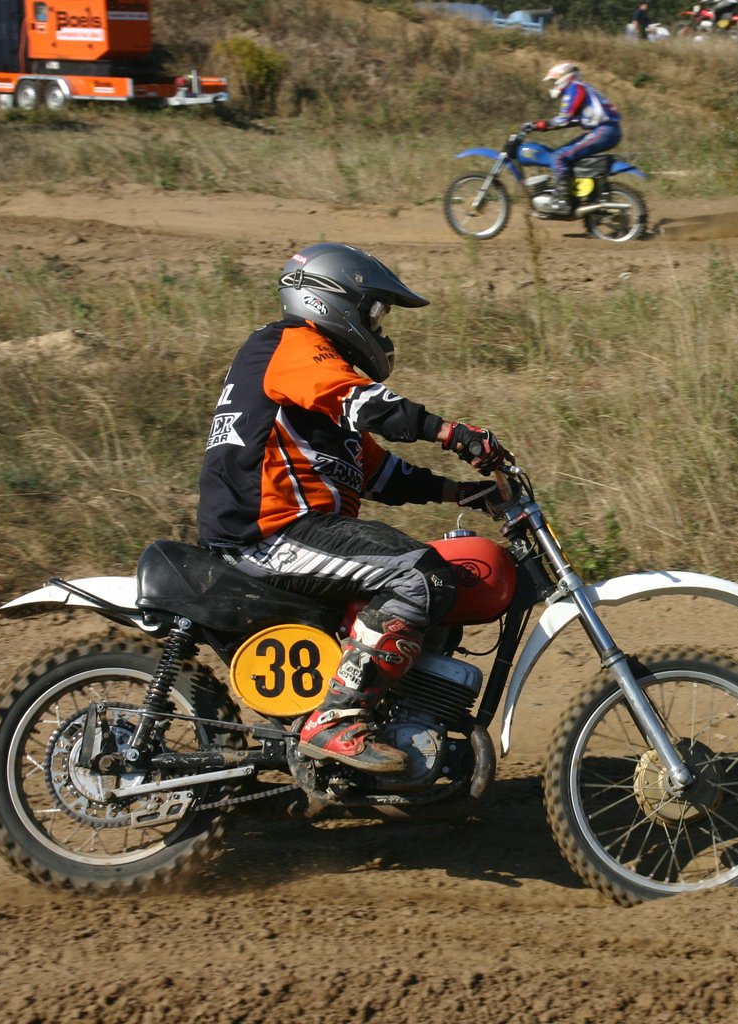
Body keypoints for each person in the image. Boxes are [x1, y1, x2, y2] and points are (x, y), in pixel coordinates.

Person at [197, 242, 508, 773]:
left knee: (421, 574)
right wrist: (449, 432)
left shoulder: (315, 389)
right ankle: (335, 719)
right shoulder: (292, 346)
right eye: (376, 313)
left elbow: (380, 473)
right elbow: (366, 404)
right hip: (269, 533)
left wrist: (460, 493)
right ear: (333, 299)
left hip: (297, 531)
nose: (380, 329)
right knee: (418, 577)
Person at [525, 62, 622, 217]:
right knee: (565, 155)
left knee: (558, 157)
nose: (553, 85)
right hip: (607, 129)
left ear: (564, 77)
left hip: (603, 130)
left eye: (554, 81)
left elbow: (564, 118)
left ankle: (563, 201)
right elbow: (574, 120)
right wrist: (546, 126)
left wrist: (540, 125)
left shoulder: (575, 88)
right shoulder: (581, 88)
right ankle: (575, 195)